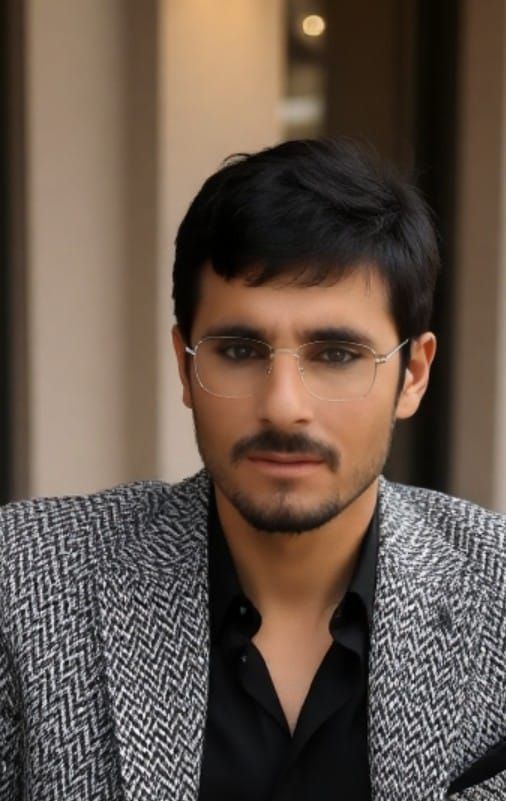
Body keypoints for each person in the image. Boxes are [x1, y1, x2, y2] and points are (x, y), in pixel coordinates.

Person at [0, 139, 505, 801]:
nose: (283, 405)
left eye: (336, 354)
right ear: (185, 366)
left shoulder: (496, 591)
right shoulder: (24, 577)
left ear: (412, 374)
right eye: (239, 350)